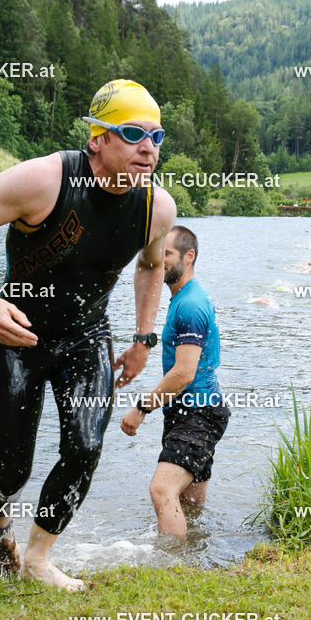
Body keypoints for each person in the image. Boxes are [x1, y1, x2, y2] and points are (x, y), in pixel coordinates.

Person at [0, 79, 176, 591]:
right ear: (98, 139)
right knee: (13, 470)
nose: (147, 148)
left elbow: (152, 267)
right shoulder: (45, 180)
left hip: (87, 335)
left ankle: (39, 557)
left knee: (86, 444)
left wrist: (143, 338)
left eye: (156, 136)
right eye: (133, 133)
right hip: (19, 336)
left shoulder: (159, 208)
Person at [120, 226, 230, 536]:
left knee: (161, 490)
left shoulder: (191, 305)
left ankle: (172, 568)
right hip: (195, 411)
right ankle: (196, 558)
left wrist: (141, 408)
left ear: (189, 256)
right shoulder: (183, 298)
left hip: (199, 415)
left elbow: (184, 373)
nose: (160, 260)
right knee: (190, 500)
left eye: (167, 253)